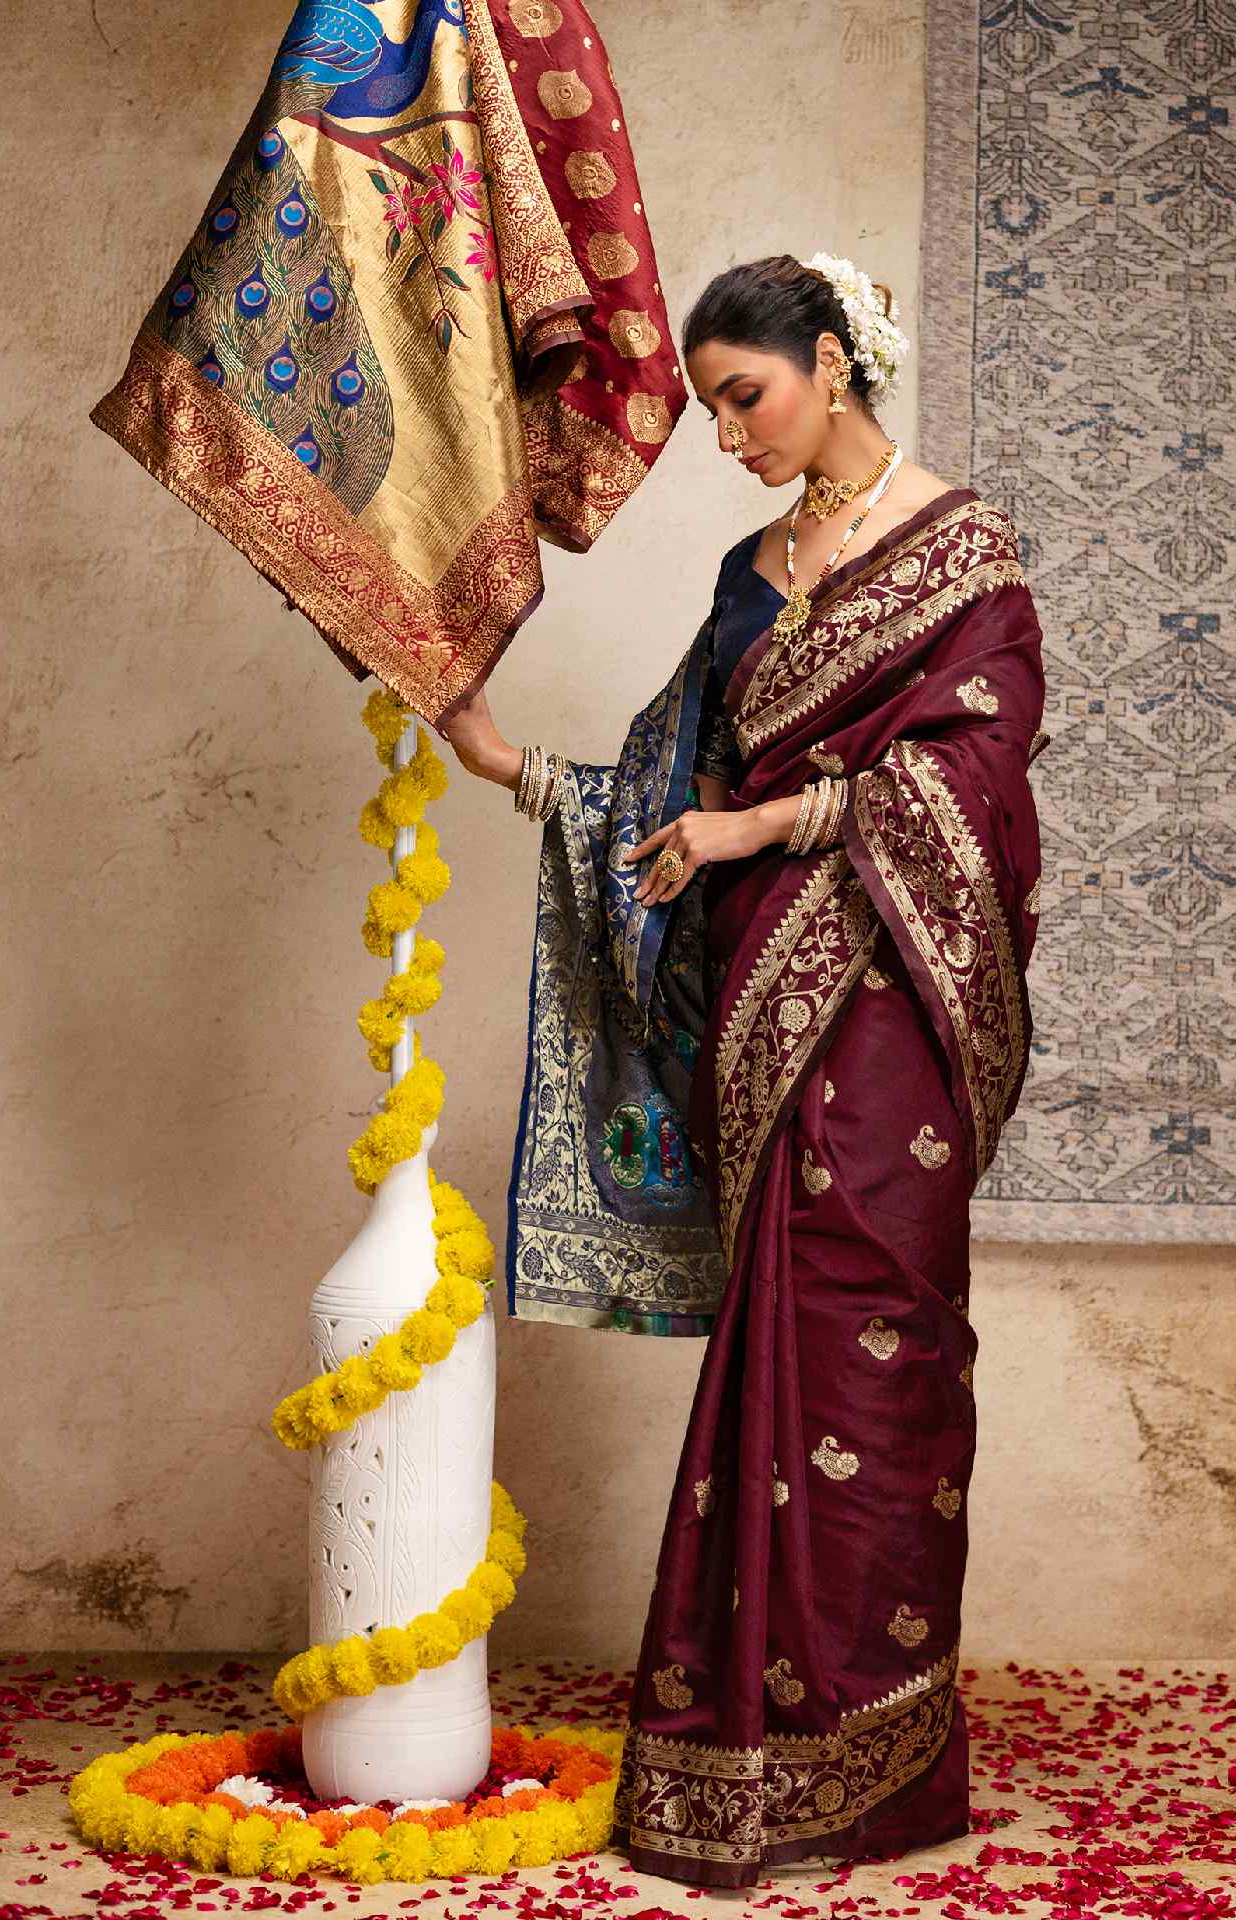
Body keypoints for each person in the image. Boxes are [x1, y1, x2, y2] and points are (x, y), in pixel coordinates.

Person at [441, 251, 1049, 1888]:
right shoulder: (747, 574)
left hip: (888, 1003)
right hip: (759, 1011)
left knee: (876, 1357)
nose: (726, 433)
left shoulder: (963, 559)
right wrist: (513, 767)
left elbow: (977, 785)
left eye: (744, 396)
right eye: (709, 403)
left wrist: (771, 821)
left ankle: (874, 1752)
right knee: (771, 1353)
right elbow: (668, 792)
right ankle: (738, 1743)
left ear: (834, 365)